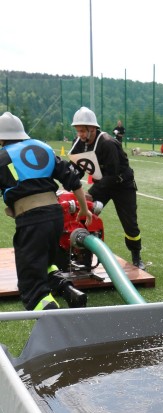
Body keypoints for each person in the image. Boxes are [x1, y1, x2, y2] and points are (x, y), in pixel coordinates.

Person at [0, 112, 91, 310]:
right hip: (56, 216)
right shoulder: (44, 148)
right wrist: (84, 209)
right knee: (46, 262)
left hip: (31, 220)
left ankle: (54, 322)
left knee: (31, 287)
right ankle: (69, 291)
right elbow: (73, 180)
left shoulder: (3, 155)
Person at [69, 107, 146, 270]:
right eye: (78, 131)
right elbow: (77, 166)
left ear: (92, 128)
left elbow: (112, 175)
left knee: (130, 223)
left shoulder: (108, 143)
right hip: (102, 183)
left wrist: (90, 193)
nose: (80, 134)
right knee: (84, 215)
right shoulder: (79, 142)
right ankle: (84, 257)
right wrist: (69, 183)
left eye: (82, 130)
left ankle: (136, 256)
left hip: (122, 185)